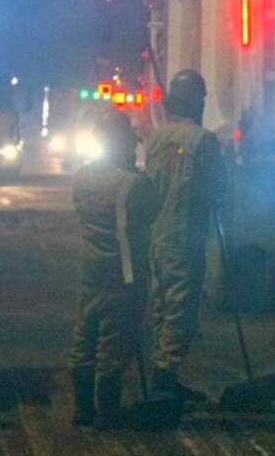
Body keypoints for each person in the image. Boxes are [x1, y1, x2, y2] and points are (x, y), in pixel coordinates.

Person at [69, 109, 156, 429]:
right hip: (124, 274)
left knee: (85, 338)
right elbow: (150, 215)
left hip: (90, 271)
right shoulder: (133, 185)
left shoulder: (81, 178)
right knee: (113, 345)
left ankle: (81, 408)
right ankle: (107, 412)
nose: (135, 149)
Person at [145, 70, 226, 410]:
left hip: (156, 236)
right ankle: (165, 378)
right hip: (185, 236)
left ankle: (160, 370)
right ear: (198, 102)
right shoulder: (203, 140)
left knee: (162, 304)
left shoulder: (157, 138)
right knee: (181, 309)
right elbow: (218, 190)